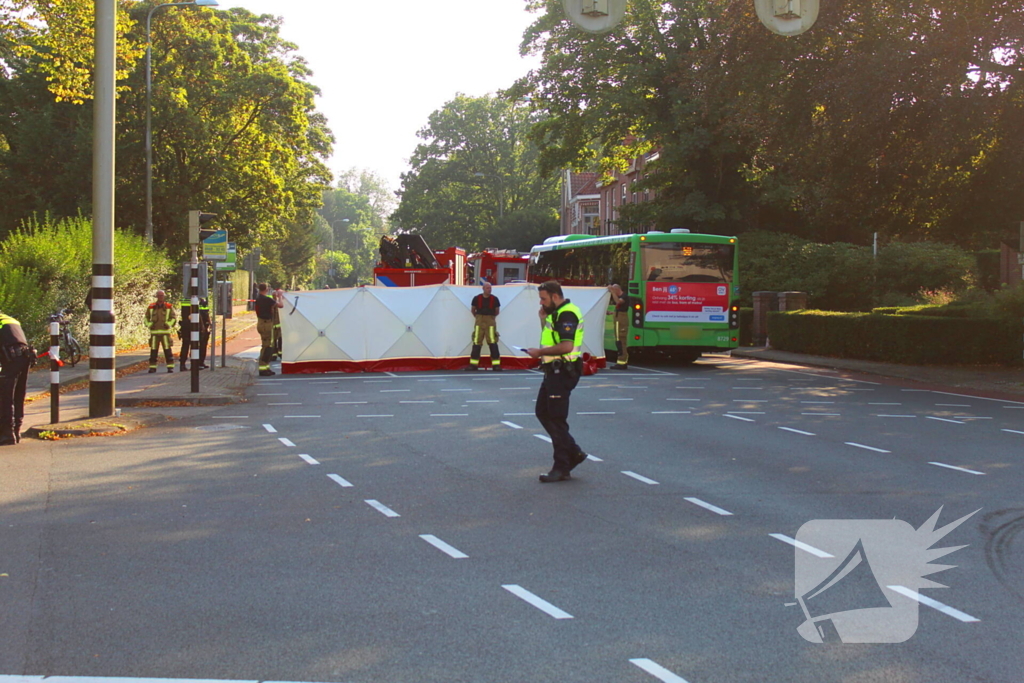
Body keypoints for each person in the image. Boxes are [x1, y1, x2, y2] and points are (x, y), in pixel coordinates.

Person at [526, 281, 587, 483]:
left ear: (554, 296)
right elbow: (553, 337)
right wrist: (544, 321)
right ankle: (574, 452)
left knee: (556, 418)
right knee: (543, 412)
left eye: (543, 298)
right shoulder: (556, 314)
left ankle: (562, 466)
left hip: (563, 371)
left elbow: (566, 346)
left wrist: (539, 352)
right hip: (554, 370)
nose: (541, 303)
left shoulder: (567, 314)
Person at [0, 311, 33, 446]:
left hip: (11, 357)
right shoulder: (9, 319)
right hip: (25, 356)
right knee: (19, 394)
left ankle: (7, 434)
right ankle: (16, 430)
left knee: (5, 396)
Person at [466, 281, 502, 371]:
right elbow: (473, 310)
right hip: (479, 320)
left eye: (490, 288)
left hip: (490, 321)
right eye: (487, 288)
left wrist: (490, 319)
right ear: (483, 289)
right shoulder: (476, 298)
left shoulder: (495, 299)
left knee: (493, 342)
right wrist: (479, 318)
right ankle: (473, 365)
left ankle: (496, 365)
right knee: (477, 341)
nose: (489, 290)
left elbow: (497, 311)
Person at [254, 283, 282, 376]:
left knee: (267, 346)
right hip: (266, 324)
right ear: (266, 289)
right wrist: (280, 296)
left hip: (262, 323)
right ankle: (263, 368)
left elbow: (271, 305)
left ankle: (266, 367)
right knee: (267, 347)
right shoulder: (266, 299)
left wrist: (274, 297)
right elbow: (280, 305)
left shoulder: (259, 298)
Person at [146, 290, 176, 373]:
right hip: (154, 333)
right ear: (157, 296)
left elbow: (173, 318)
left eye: (162, 295)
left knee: (167, 350)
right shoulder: (151, 306)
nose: (160, 297)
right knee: (153, 351)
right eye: (159, 295)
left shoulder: (169, 306)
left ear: (164, 296)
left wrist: (168, 324)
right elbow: (146, 318)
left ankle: (170, 367)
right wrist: (149, 324)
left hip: (165, 333)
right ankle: (152, 367)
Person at [608, 283, 629, 370]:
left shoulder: (624, 296)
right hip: (618, 320)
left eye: (614, 291)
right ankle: (621, 361)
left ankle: (622, 362)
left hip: (621, 322)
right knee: (618, 340)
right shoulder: (622, 297)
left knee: (620, 341)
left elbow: (618, 302)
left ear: (617, 289)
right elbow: (620, 309)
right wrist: (611, 313)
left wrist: (612, 292)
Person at [272, 287, 283, 360]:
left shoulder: (273, 301)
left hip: (277, 324)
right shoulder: (273, 302)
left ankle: (278, 353)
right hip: (274, 324)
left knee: (279, 340)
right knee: (274, 340)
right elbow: (281, 305)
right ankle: (274, 354)